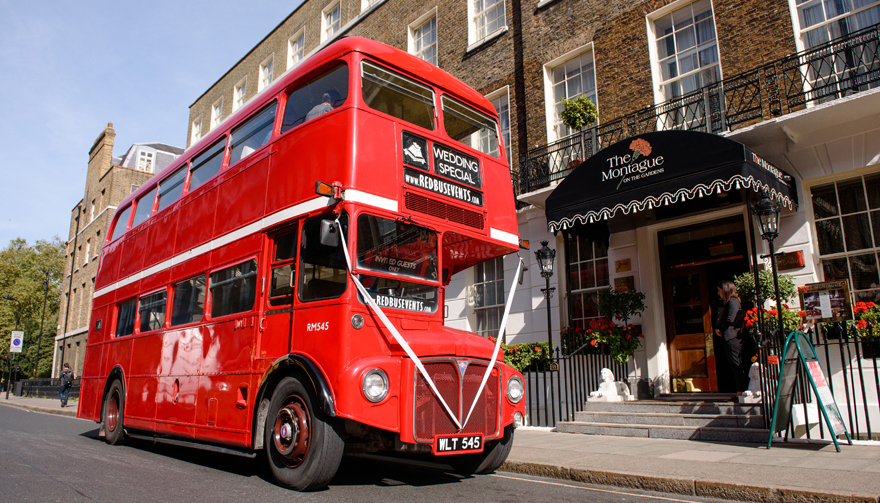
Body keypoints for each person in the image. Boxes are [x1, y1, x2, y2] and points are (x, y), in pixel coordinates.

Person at [715, 281, 748, 392]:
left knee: (736, 365)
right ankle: (740, 391)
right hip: (731, 337)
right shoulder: (732, 302)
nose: (718, 293)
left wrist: (720, 329)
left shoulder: (732, 302)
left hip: (732, 337)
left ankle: (741, 391)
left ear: (725, 290)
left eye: (720, 290)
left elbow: (730, 319)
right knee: (734, 365)